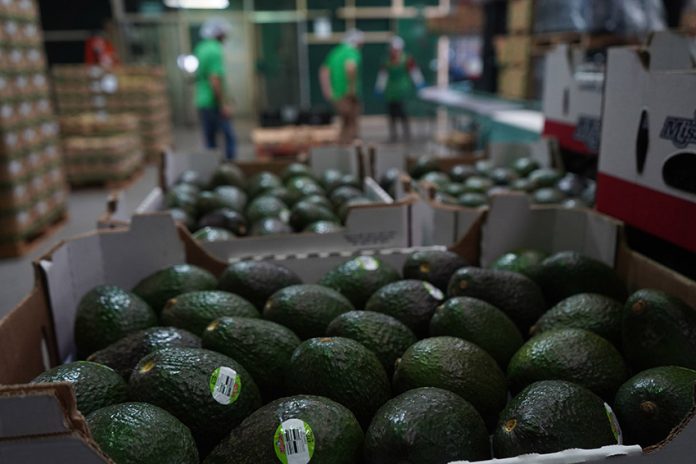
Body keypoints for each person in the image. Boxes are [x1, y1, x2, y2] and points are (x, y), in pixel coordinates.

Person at [194, 18, 236, 160]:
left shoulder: (201, 48)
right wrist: (223, 103)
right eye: (224, 34)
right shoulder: (215, 50)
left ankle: (211, 168)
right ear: (219, 34)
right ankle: (231, 168)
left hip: (202, 100)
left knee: (210, 138)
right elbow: (214, 79)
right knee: (229, 136)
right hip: (213, 102)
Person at [375, 36, 425, 142]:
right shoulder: (387, 61)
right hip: (391, 91)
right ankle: (393, 135)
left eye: (396, 50)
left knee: (403, 113)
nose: (394, 52)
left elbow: (414, 73)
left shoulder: (407, 59)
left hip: (403, 90)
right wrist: (379, 88)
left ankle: (407, 134)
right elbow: (383, 76)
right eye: (392, 49)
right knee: (391, 114)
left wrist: (420, 84)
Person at [320, 29, 364, 145]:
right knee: (351, 124)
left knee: (345, 123)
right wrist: (351, 88)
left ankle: (343, 148)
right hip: (347, 95)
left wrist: (328, 90)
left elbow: (324, 71)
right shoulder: (352, 52)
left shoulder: (335, 52)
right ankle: (349, 151)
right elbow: (350, 67)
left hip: (336, 95)